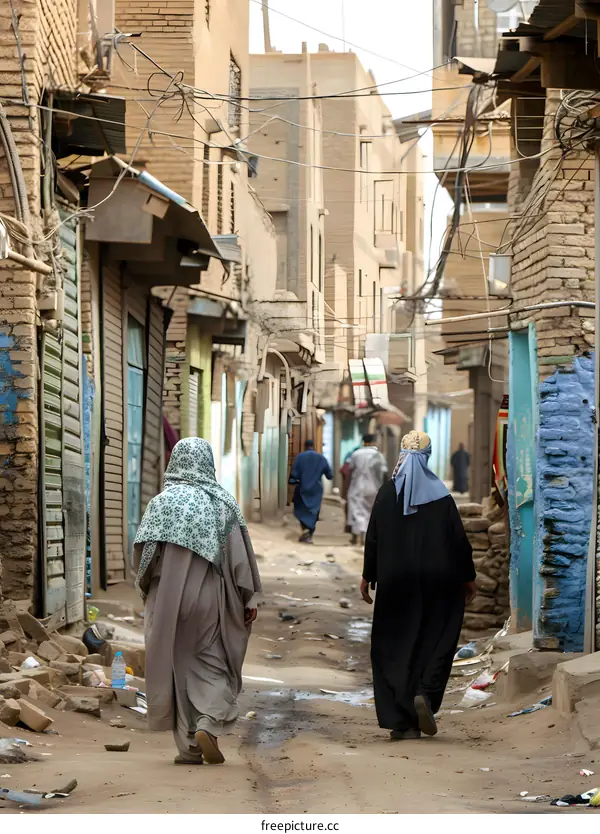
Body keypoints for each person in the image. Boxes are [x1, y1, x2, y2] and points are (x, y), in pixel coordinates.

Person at [133, 437, 261, 766]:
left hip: (166, 600)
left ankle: (188, 748)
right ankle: (208, 723)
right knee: (213, 664)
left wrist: (150, 592)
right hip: (210, 598)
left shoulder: (161, 503)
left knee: (178, 669)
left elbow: (144, 557)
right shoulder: (222, 504)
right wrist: (247, 600)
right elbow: (239, 562)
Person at [361, 430, 476, 741]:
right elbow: (459, 542)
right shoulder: (441, 497)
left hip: (395, 582)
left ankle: (401, 721)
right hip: (440, 583)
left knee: (393, 647)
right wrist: (468, 577)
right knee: (437, 638)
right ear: (427, 457)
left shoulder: (386, 494)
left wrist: (367, 575)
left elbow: (374, 537)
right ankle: (424, 691)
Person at [346, 434, 388, 545]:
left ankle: (357, 538)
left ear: (363, 442)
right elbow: (384, 474)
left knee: (356, 511)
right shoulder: (379, 455)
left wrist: (347, 487)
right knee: (370, 512)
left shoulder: (356, 454)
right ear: (373, 442)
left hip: (358, 487)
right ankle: (367, 539)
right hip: (374, 488)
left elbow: (350, 471)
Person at [289, 439, 333, 543]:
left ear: (305, 446)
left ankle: (305, 530)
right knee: (313, 512)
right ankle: (309, 534)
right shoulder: (321, 458)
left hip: (302, 488)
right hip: (316, 490)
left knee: (301, 510)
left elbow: (294, 474)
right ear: (313, 446)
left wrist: (292, 482)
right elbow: (329, 475)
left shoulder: (299, 457)